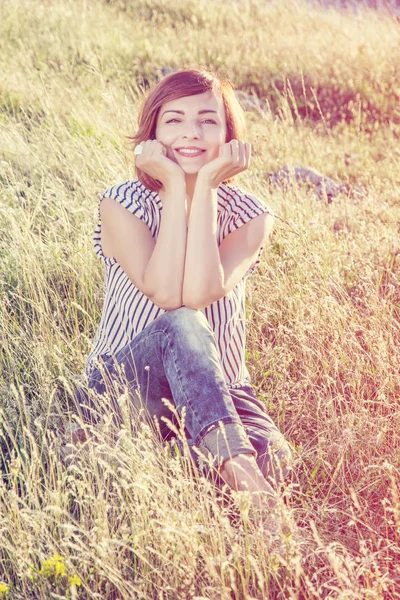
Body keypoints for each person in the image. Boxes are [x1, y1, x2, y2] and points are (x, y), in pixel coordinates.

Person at [77, 68, 292, 514]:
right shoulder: (121, 203)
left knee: (281, 462)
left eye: (207, 121)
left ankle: (193, 458)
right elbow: (169, 297)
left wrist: (207, 189)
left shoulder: (251, 215)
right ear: (153, 133)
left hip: (222, 387)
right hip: (127, 383)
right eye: (174, 120)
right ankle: (240, 476)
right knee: (181, 323)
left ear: (229, 137)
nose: (190, 133)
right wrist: (175, 187)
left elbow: (200, 290)